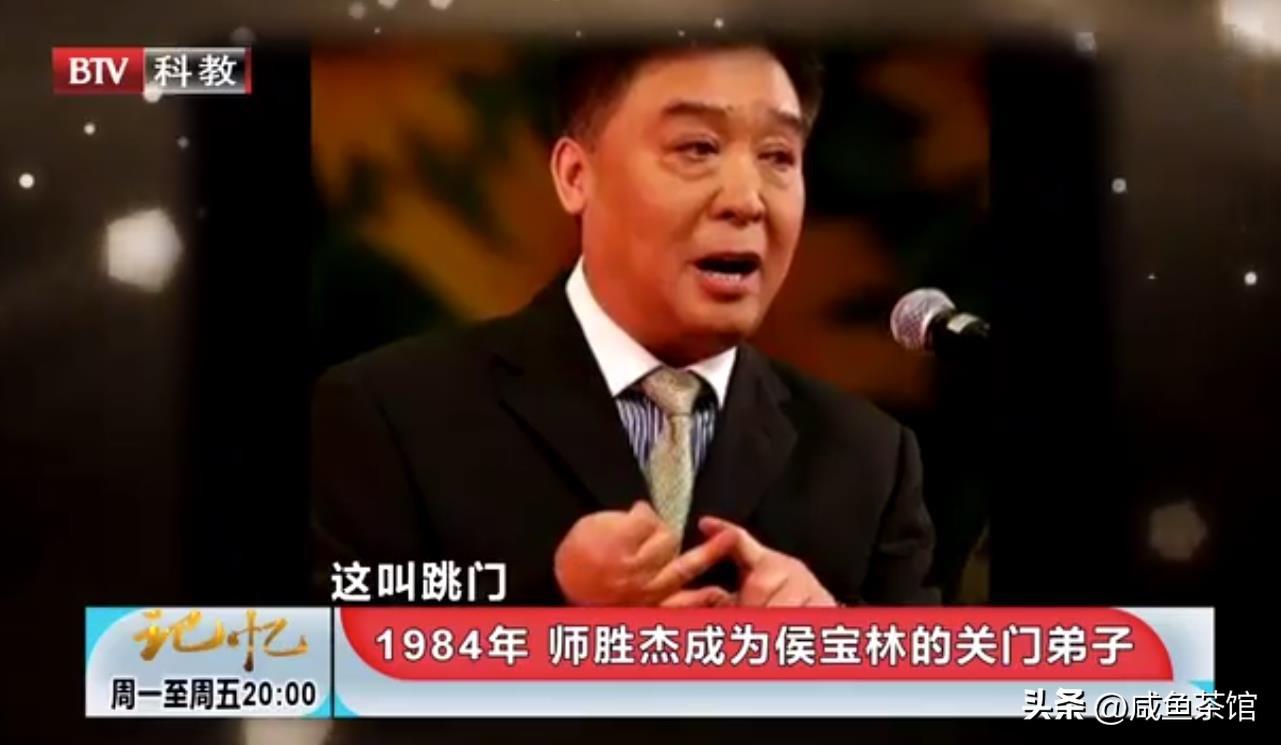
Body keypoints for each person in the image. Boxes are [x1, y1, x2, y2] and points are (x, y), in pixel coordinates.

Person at [311, 39, 939, 608]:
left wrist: (836, 646)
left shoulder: (871, 460)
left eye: (778, 155)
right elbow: (313, 670)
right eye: (698, 148)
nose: (746, 200)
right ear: (574, 175)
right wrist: (557, 611)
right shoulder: (388, 418)